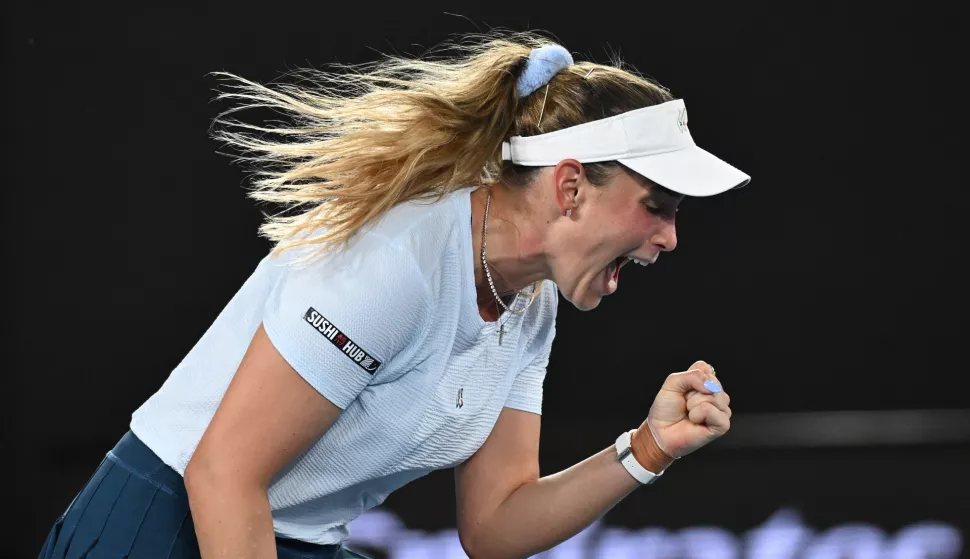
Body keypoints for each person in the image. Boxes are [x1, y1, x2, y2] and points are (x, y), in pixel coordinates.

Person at [39, 31, 749, 559]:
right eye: (657, 204)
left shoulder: (533, 302)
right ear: (568, 188)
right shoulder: (398, 259)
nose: (670, 238)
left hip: (285, 538)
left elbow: (496, 523)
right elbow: (223, 473)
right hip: (164, 525)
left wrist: (649, 447)